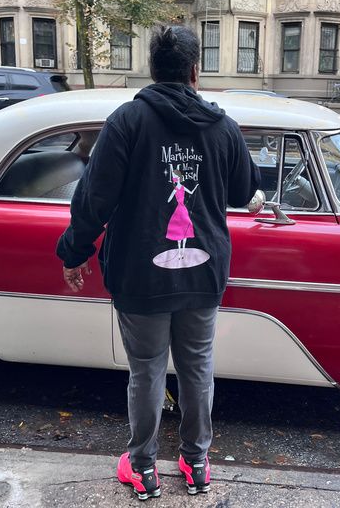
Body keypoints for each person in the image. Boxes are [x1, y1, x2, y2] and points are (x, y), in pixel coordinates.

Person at [56, 25, 261, 501]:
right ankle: (197, 463)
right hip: (204, 271)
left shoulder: (127, 122)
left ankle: (143, 468)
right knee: (197, 368)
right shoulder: (222, 125)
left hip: (140, 274)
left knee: (145, 369)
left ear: (153, 70)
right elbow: (243, 190)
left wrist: (74, 252)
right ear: (195, 71)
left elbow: (94, 200)